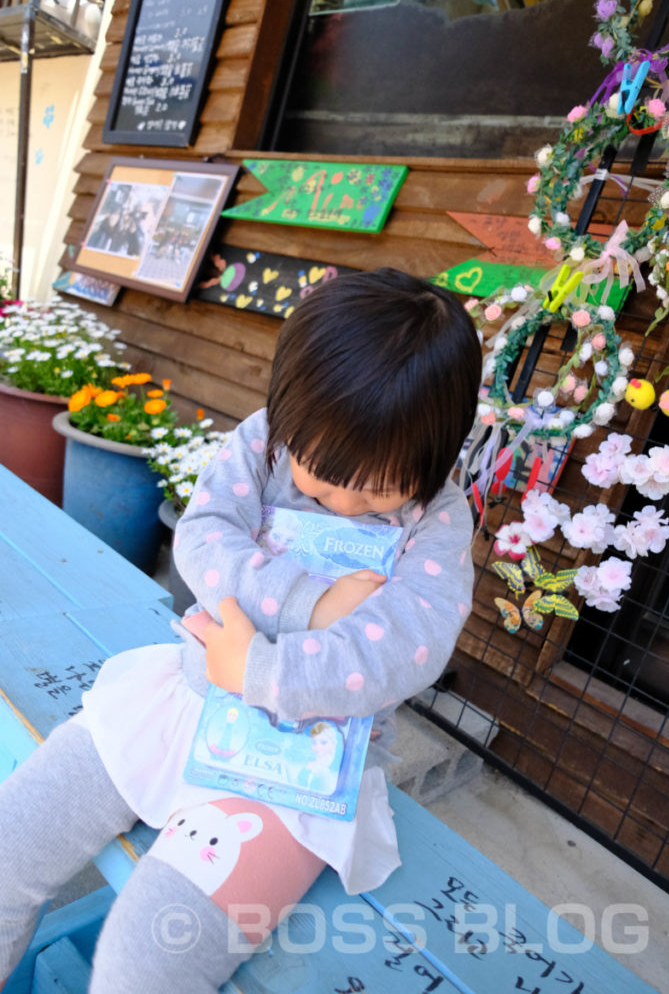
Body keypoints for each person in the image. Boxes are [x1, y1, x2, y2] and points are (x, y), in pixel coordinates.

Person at [0, 267, 481, 993]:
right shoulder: (261, 443)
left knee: (146, 957)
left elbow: (407, 648)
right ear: (286, 411)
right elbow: (203, 538)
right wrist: (313, 608)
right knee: (11, 845)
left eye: (378, 488)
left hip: (301, 777)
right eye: (321, 476)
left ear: (440, 451)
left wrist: (259, 673)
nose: (347, 503)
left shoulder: (439, 520)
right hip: (176, 702)